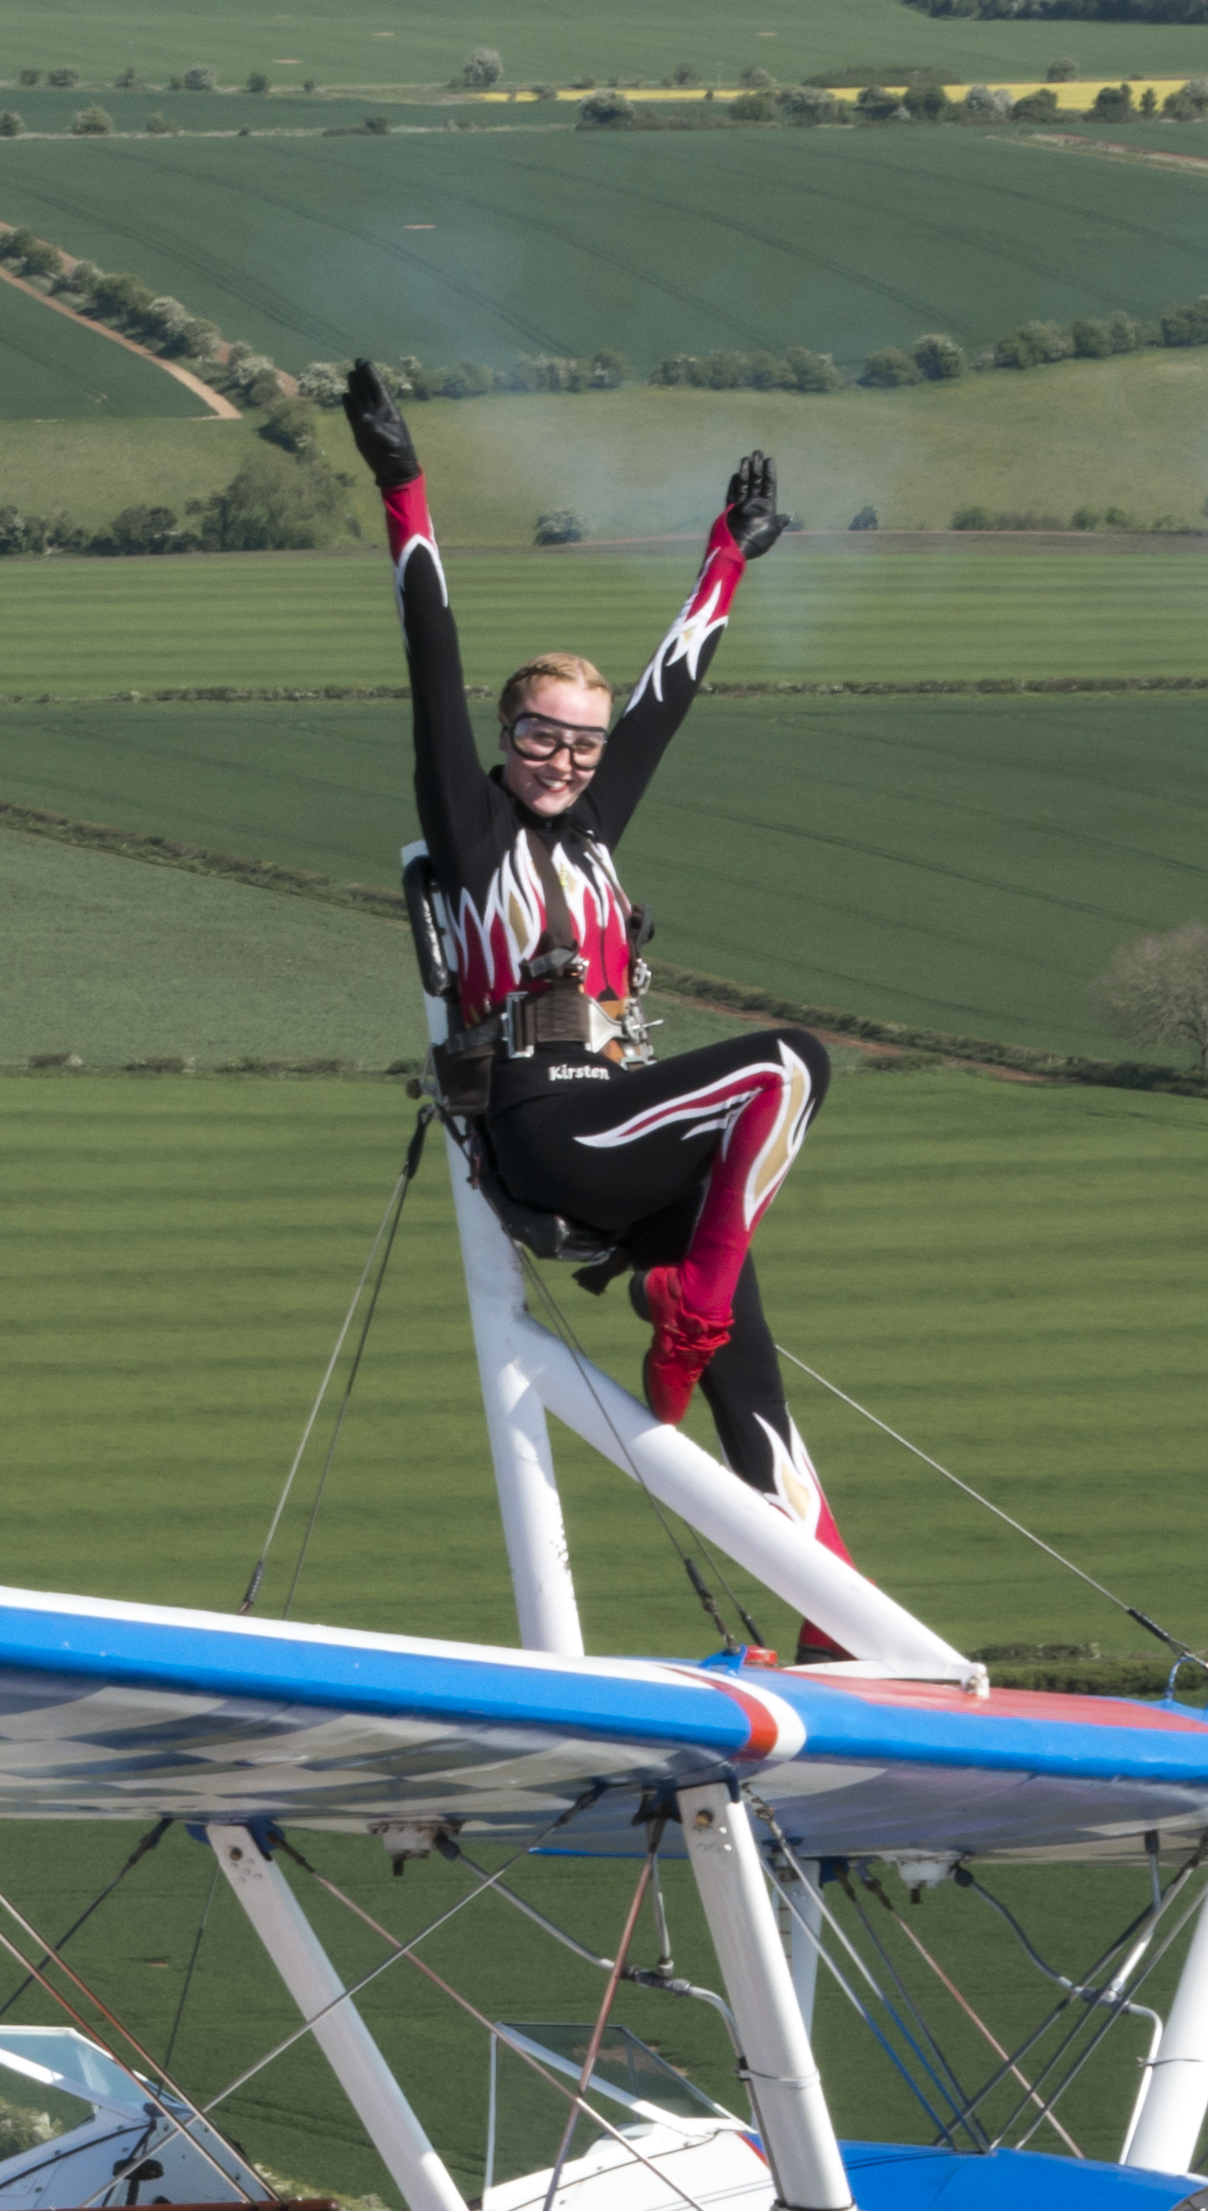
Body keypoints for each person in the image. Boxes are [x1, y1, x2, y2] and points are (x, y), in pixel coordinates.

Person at [350, 361, 841, 1567]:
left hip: (626, 1136)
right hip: (545, 1131)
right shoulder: (473, 834)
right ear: (503, 737)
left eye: (582, 741)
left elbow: (671, 690)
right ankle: (683, 1305)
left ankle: (831, 1618)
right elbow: (429, 649)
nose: (565, 760)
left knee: (760, 1403)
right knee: (786, 1065)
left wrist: (730, 551)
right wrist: (403, 485)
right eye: (537, 737)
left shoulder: (593, 828)